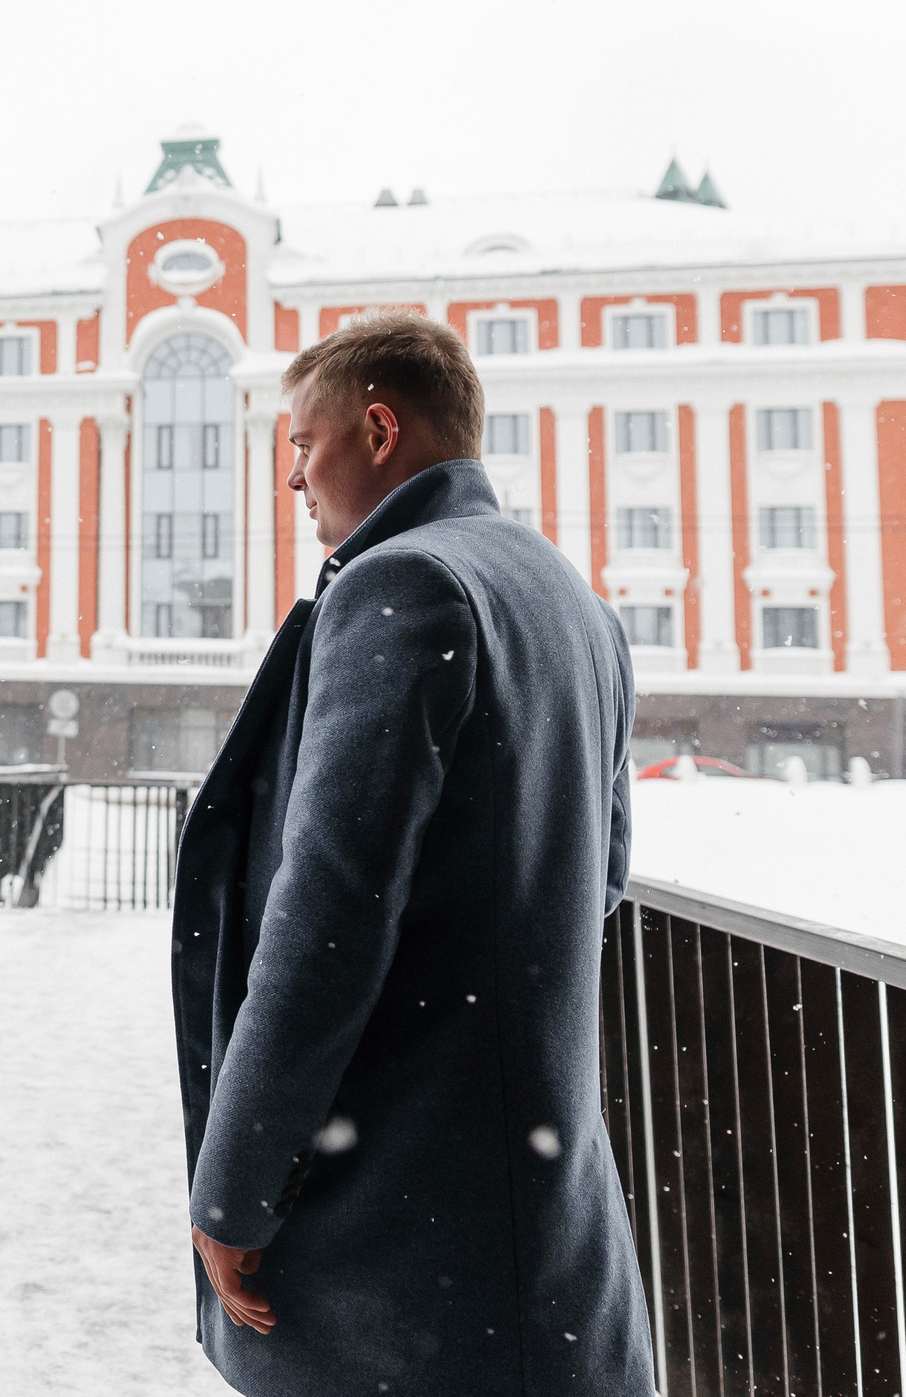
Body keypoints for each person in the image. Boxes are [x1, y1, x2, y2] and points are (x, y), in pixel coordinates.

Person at [171, 312, 652, 1396]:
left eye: (304, 444)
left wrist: (234, 1189)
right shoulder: (573, 600)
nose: (293, 477)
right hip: (544, 1214)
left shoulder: (402, 584)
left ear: (380, 430)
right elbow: (604, 875)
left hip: (406, 1228)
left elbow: (327, 917)